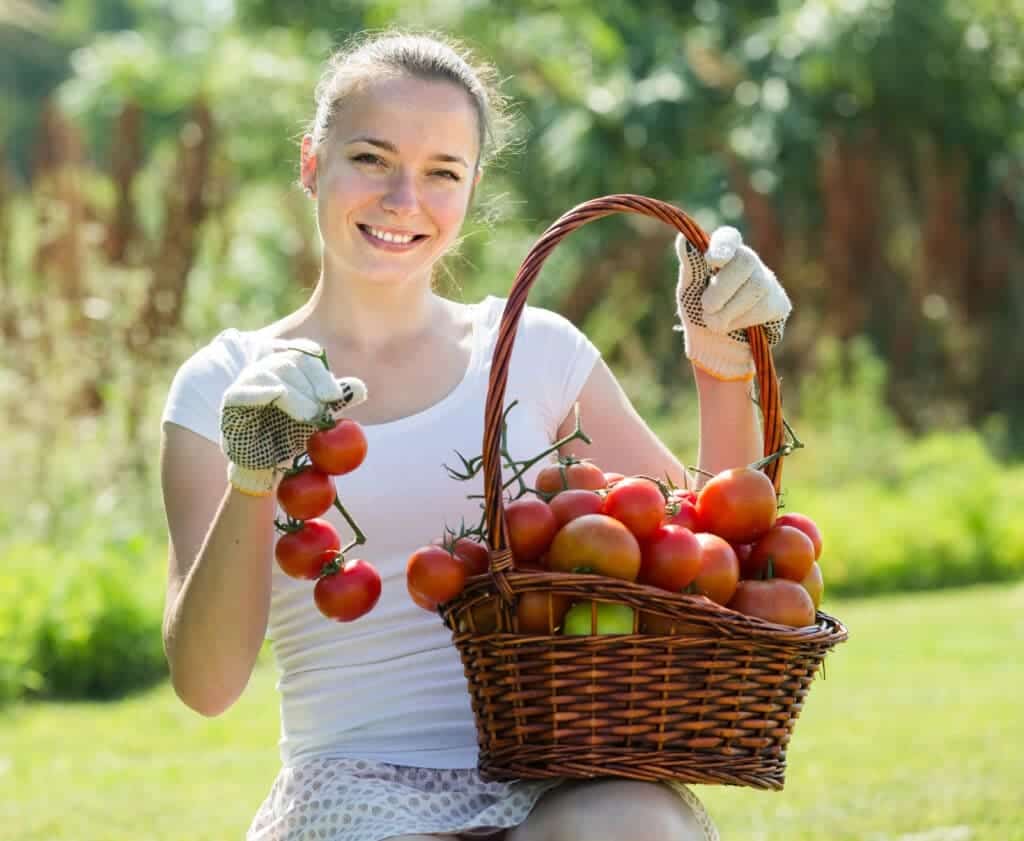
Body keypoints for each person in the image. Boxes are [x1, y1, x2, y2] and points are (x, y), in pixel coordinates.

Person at [159, 30, 791, 841]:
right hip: (352, 790)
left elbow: (712, 565)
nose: (402, 199)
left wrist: (720, 363)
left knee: (636, 827)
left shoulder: (534, 350)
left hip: (552, 777)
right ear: (312, 161)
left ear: (471, 188)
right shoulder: (227, 384)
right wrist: (254, 473)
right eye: (371, 158)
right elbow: (207, 684)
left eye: (441, 172)